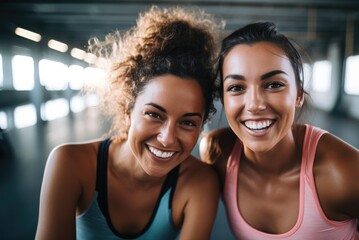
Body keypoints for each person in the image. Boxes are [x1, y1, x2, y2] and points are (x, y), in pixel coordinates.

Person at [200, 21, 359, 240]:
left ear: (298, 95)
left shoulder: (343, 172)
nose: (255, 104)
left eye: (274, 84)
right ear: (224, 99)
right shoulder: (217, 152)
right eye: (236, 88)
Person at [36, 6, 223, 240]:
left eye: (187, 123)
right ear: (127, 110)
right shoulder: (70, 164)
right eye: (154, 114)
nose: (167, 138)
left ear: (201, 125)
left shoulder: (200, 183)